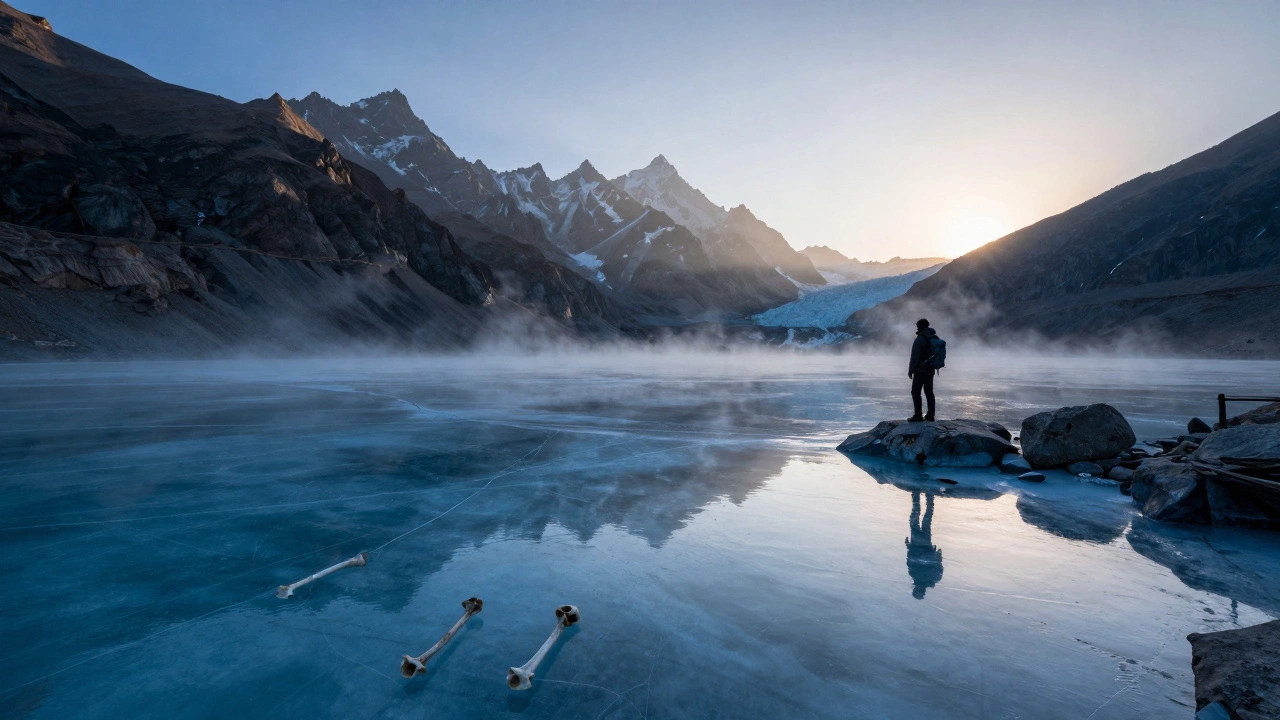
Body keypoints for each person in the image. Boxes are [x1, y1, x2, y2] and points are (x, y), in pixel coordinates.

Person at [907, 318, 937, 422]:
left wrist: (910, 370)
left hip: (920, 371)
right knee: (929, 392)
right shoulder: (933, 338)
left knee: (915, 392)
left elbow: (914, 357)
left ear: (919, 327)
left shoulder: (919, 339)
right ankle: (930, 415)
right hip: (931, 370)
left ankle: (918, 415)